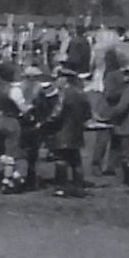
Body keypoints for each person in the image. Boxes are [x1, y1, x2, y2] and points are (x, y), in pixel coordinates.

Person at [40, 67, 93, 197]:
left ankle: (61, 187)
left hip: (62, 132)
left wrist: (44, 124)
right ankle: (79, 187)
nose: (56, 81)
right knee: (76, 161)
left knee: (61, 160)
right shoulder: (81, 94)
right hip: (76, 132)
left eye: (58, 78)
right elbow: (88, 114)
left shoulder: (63, 94)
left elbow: (56, 114)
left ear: (64, 79)